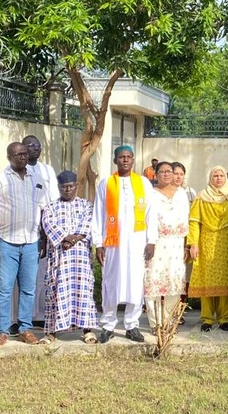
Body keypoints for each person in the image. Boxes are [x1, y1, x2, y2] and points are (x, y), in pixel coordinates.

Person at [0, 142, 48, 346]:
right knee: (4, 289)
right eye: (17, 154)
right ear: (9, 157)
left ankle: (25, 328)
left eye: (24, 154)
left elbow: (43, 209)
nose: (22, 157)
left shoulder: (36, 179)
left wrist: (43, 238)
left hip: (30, 241)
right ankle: (1, 330)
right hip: (6, 241)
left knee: (28, 288)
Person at [92, 145, 157, 344]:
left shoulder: (144, 183)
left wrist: (151, 240)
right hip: (112, 243)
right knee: (111, 282)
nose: (125, 160)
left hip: (138, 242)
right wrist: (98, 243)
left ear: (133, 159)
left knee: (135, 283)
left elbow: (150, 212)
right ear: (115, 160)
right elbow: (98, 214)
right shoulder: (106, 184)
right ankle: (108, 325)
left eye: (129, 157)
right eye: (121, 157)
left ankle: (132, 324)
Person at [41, 171, 99, 343]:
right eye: (64, 187)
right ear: (59, 188)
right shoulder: (51, 207)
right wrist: (65, 238)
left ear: (76, 186)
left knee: (83, 291)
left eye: (71, 186)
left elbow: (88, 224)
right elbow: (48, 224)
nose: (67, 190)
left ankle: (87, 330)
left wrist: (73, 239)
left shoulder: (86, 205)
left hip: (80, 258)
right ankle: (51, 332)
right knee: (55, 291)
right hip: (59, 257)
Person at [187, 167, 228, 332]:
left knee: (226, 282)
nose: (219, 178)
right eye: (215, 175)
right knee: (207, 282)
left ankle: (224, 319)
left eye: (221, 175)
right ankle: (207, 319)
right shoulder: (201, 197)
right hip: (207, 243)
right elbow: (194, 221)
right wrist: (193, 243)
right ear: (210, 177)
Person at [144, 162, 190, 332]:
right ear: (155, 174)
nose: (166, 175)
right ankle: (156, 323)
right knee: (153, 281)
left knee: (174, 281)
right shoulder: (150, 193)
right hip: (156, 242)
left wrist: (186, 244)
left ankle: (170, 321)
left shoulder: (181, 194)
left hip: (177, 243)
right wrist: (150, 241)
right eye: (162, 172)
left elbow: (186, 218)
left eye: (169, 171)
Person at [22, 134, 59, 327]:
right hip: (25, 228)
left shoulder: (47, 170)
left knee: (43, 273)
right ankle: (25, 315)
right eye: (30, 145)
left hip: (45, 228)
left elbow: (53, 199)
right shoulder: (18, 170)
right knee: (27, 275)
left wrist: (48, 229)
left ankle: (41, 315)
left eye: (37, 146)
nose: (35, 149)